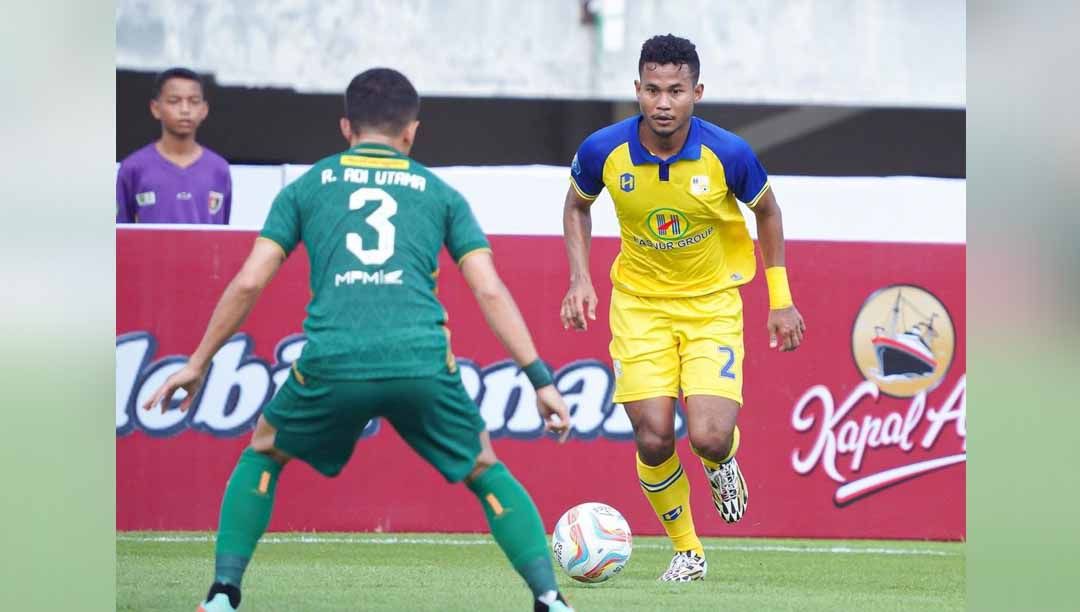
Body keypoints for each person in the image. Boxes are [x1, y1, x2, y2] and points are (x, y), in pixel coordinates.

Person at [143, 68, 576, 612]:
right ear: (411, 131)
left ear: (346, 126)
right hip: (420, 361)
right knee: (484, 466)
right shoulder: (441, 193)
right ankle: (549, 597)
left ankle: (224, 593)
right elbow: (488, 290)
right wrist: (539, 379)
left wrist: (199, 361)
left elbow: (252, 279)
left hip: (333, 360)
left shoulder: (307, 187)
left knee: (264, 452)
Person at [559, 34, 805, 582]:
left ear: (697, 91)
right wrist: (580, 279)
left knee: (709, 436)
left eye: (675, 90)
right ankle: (688, 550)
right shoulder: (605, 149)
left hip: (711, 304)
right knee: (652, 434)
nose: (663, 103)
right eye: (652, 90)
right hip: (640, 307)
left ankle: (722, 463)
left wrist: (780, 300)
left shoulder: (729, 153)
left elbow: (768, 213)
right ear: (637, 91)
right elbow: (577, 205)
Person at [116, 67, 232, 224]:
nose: (185, 110)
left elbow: (222, 234)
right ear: (156, 108)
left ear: (204, 110)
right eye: (174, 101)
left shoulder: (219, 169)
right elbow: (121, 235)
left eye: (194, 101)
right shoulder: (133, 168)